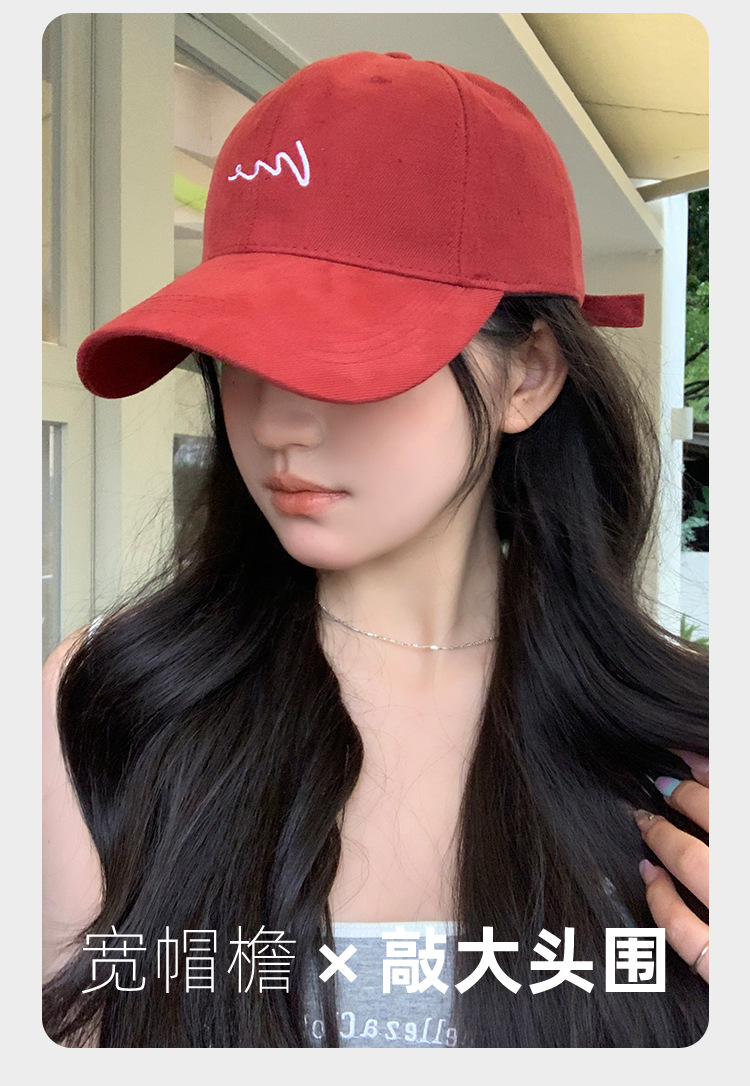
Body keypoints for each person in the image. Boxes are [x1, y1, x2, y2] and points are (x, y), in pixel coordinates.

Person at [42, 50, 708, 1048]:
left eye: (344, 353)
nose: (274, 423)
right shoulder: (107, 706)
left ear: (527, 375)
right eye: (238, 355)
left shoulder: (689, 748)